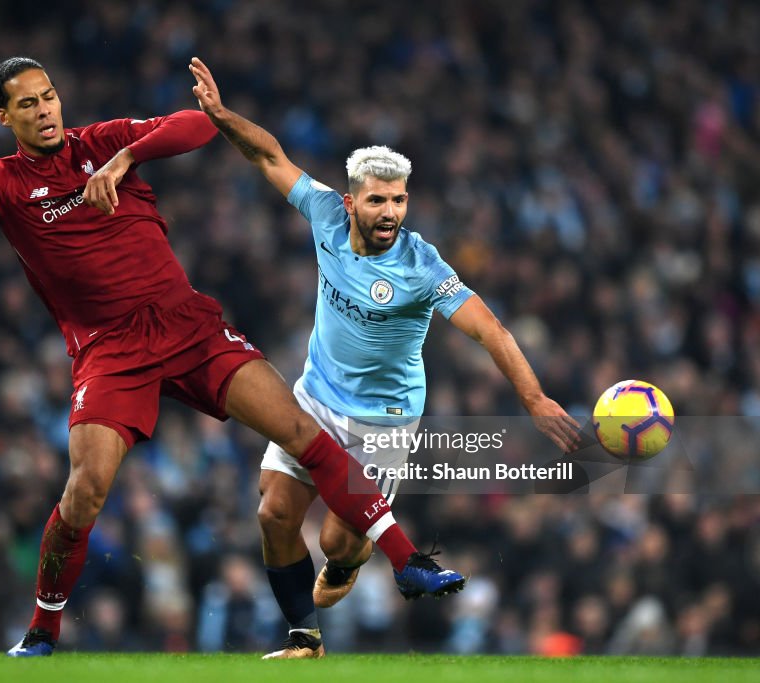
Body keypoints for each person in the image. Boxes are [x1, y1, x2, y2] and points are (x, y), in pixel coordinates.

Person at [0, 56, 477, 657]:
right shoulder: (3, 184)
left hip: (187, 327)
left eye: (48, 97)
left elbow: (198, 124)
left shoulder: (103, 141)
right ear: (3, 118)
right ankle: (42, 630)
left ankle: (408, 562)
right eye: (26, 105)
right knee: (85, 492)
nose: (44, 111)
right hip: (108, 352)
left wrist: (126, 157)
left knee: (301, 431)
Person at [188, 56, 580, 659]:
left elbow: (492, 331)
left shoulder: (423, 266)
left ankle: (348, 565)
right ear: (350, 202)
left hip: (384, 421)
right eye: (377, 201)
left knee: (339, 541)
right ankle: (304, 639)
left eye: (399, 201)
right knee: (271, 515)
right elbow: (269, 156)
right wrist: (219, 116)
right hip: (315, 398)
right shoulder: (321, 212)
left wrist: (533, 399)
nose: (391, 213)